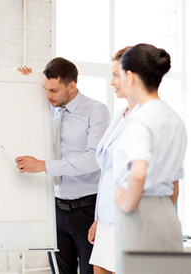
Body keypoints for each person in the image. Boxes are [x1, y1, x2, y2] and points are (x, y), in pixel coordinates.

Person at [16, 58, 111, 274]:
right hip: (56, 209)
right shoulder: (47, 107)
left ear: (72, 86)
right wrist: (18, 77)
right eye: (45, 89)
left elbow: (93, 159)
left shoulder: (96, 111)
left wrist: (43, 166)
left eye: (54, 90)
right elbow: (17, 106)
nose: (48, 95)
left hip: (87, 209)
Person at [112, 43, 186, 273]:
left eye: (120, 74)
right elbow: (175, 184)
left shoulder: (140, 120)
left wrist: (127, 203)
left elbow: (139, 172)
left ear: (130, 76)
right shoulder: (175, 118)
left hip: (139, 213)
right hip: (168, 215)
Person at [87, 46, 139, 274]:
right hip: (108, 217)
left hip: (128, 219)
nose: (112, 82)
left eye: (116, 75)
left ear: (132, 76)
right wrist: (98, 217)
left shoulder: (146, 117)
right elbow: (106, 173)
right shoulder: (121, 114)